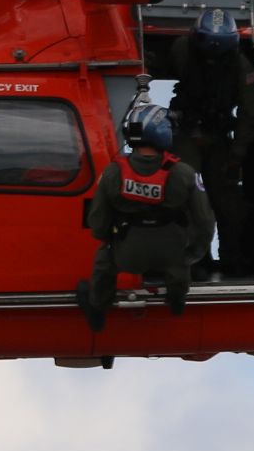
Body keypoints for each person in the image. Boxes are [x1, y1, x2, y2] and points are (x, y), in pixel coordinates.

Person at [79, 103, 215, 331]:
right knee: (180, 262)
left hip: (128, 257)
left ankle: (98, 306)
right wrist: (192, 254)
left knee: (104, 260)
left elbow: (97, 222)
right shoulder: (185, 173)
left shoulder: (113, 173)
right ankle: (177, 300)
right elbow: (205, 221)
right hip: (172, 257)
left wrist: (111, 240)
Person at [167, 7, 254, 273]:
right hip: (187, 132)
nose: (213, 56)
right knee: (187, 197)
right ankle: (197, 261)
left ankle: (229, 260)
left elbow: (252, 112)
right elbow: (251, 113)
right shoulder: (182, 50)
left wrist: (237, 154)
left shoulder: (240, 67)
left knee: (225, 202)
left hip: (216, 137)